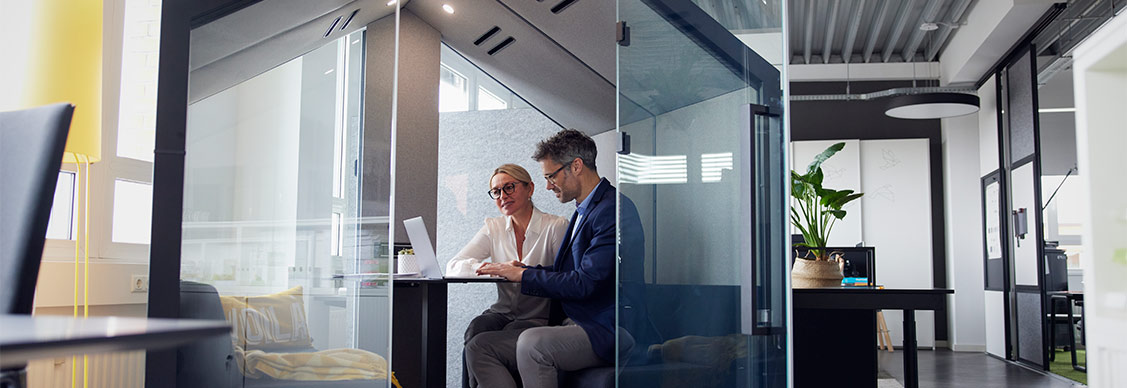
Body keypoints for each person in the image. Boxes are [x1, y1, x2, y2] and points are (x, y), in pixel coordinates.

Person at [472, 129, 645, 388]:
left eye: (551, 176)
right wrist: (526, 268)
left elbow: (586, 282)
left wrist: (524, 275)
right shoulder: (583, 211)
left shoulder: (612, 210)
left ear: (576, 166)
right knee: (481, 345)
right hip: (577, 322)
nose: (547, 186)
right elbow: (571, 270)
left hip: (607, 328)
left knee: (532, 344)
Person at [446, 164, 569, 388]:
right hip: (502, 312)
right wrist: (497, 267)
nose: (503, 196)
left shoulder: (555, 226)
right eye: (496, 191)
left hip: (538, 315)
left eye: (509, 188)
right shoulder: (493, 227)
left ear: (530, 188)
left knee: (499, 337)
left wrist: (521, 273)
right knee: (476, 328)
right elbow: (453, 266)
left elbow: (566, 278)